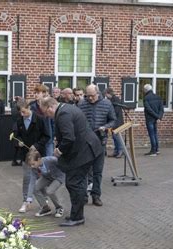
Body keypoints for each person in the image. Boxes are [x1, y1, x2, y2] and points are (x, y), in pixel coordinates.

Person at [39, 97, 102, 227]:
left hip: (84, 152)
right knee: (78, 182)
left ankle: (77, 217)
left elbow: (69, 137)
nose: (47, 116)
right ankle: (77, 214)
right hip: (88, 149)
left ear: (50, 107)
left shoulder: (63, 114)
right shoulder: (68, 108)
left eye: (46, 112)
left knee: (73, 183)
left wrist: (59, 150)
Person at [79, 84, 116, 206]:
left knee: (97, 171)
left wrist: (105, 127)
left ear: (98, 93)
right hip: (85, 141)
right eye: (87, 96)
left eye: (92, 96)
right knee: (84, 170)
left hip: (100, 141)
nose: (90, 98)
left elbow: (113, 120)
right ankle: (83, 196)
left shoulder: (107, 104)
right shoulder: (82, 104)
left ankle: (96, 195)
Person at [13, 99, 50, 213]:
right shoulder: (19, 120)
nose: (22, 114)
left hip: (39, 155)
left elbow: (47, 136)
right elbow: (16, 135)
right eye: (20, 112)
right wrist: (18, 141)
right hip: (26, 155)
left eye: (24, 112)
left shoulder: (40, 119)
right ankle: (26, 201)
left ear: (29, 108)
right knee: (27, 178)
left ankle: (44, 200)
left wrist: (37, 145)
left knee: (41, 178)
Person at [26, 150, 65, 218]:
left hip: (58, 177)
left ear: (38, 159)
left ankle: (59, 207)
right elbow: (31, 182)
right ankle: (45, 208)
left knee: (49, 191)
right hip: (47, 177)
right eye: (30, 165)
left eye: (33, 164)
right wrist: (29, 199)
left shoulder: (50, 160)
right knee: (35, 188)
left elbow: (61, 162)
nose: (32, 166)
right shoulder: (34, 168)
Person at [143, 84, 164, 156]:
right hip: (156, 118)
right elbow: (161, 109)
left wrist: (156, 116)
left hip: (150, 119)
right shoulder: (158, 97)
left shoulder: (146, 98)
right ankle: (157, 149)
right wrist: (159, 117)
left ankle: (153, 151)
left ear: (146, 90)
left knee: (152, 134)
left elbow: (148, 109)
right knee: (155, 134)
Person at [104, 87, 124, 158]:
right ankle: (116, 151)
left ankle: (120, 151)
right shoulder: (111, 100)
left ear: (109, 93)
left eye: (106, 94)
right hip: (113, 121)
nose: (105, 96)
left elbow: (116, 111)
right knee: (114, 137)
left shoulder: (116, 100)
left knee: (117, 137)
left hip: (117, 121)